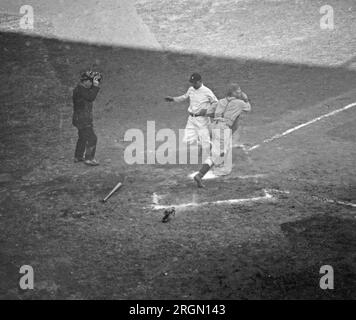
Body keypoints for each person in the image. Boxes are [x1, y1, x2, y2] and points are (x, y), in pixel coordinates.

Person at [193, 83, 251, 188]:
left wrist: (198, 113)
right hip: (223, 129)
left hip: (213, 127)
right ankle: (200, 175)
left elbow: (208, 112)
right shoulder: (240, 103)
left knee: (221, 148)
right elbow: (248, 108)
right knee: (216, 154)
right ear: (233, 93)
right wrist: (246, 99)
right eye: (238, 91)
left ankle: (204, 142)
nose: (240, 93)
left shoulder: (221, 101)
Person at [165, 73, 218, 160]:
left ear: (200, 81)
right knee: (187, 141)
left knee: (206, 144)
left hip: (202, 120)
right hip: (191, 120)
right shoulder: (191, 89)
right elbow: (184, 97)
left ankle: (213, 156)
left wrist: (208, 110)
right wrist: (173, 99)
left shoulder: (207, 91)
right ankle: (204, 145)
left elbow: (216, 102)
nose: (193, 84)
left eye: (195, 82)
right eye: (192, 82)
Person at [72, 71, 101, 166]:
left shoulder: (80, 88)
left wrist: (94, 84)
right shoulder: (81, 89)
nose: (92, 84)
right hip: (83, 119)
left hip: (79, 118)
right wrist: (96, 86)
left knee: (83, 137)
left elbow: (89, 93)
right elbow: (90, 97)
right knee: (92, 138)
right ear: (85, 81)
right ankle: (89, 159)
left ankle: (78, 156)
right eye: (91, 81)